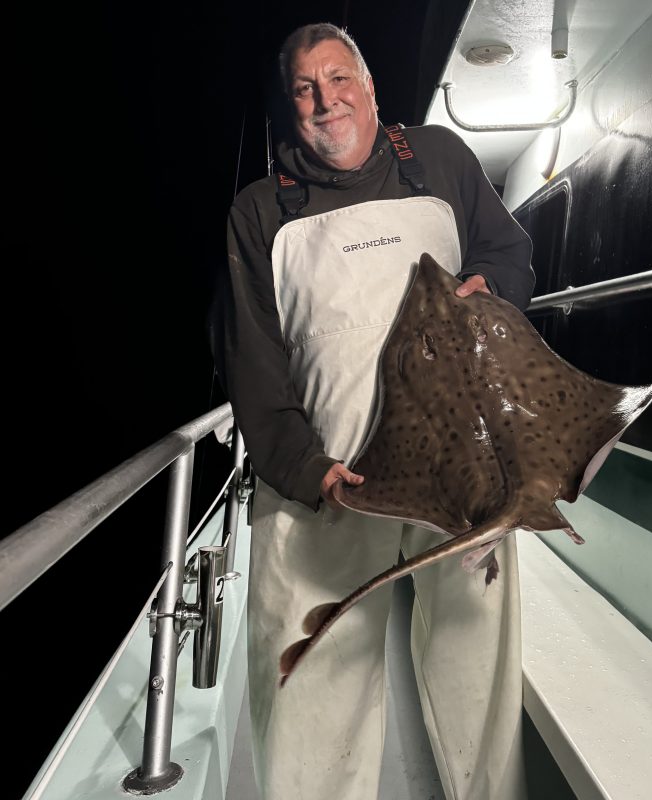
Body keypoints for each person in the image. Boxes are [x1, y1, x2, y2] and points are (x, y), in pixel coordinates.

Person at [211, 22, 535, 800]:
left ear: (370, 87)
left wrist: (491, 288)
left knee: (476, 671)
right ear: (290, 108)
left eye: (340, 79)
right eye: (305, 88)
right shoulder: (260, 213)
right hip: (330, 485)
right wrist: (308, 471)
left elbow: (509, 251)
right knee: (313, 687)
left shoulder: (441, 161)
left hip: (459, 472)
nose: (327, 101)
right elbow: (252, 367)